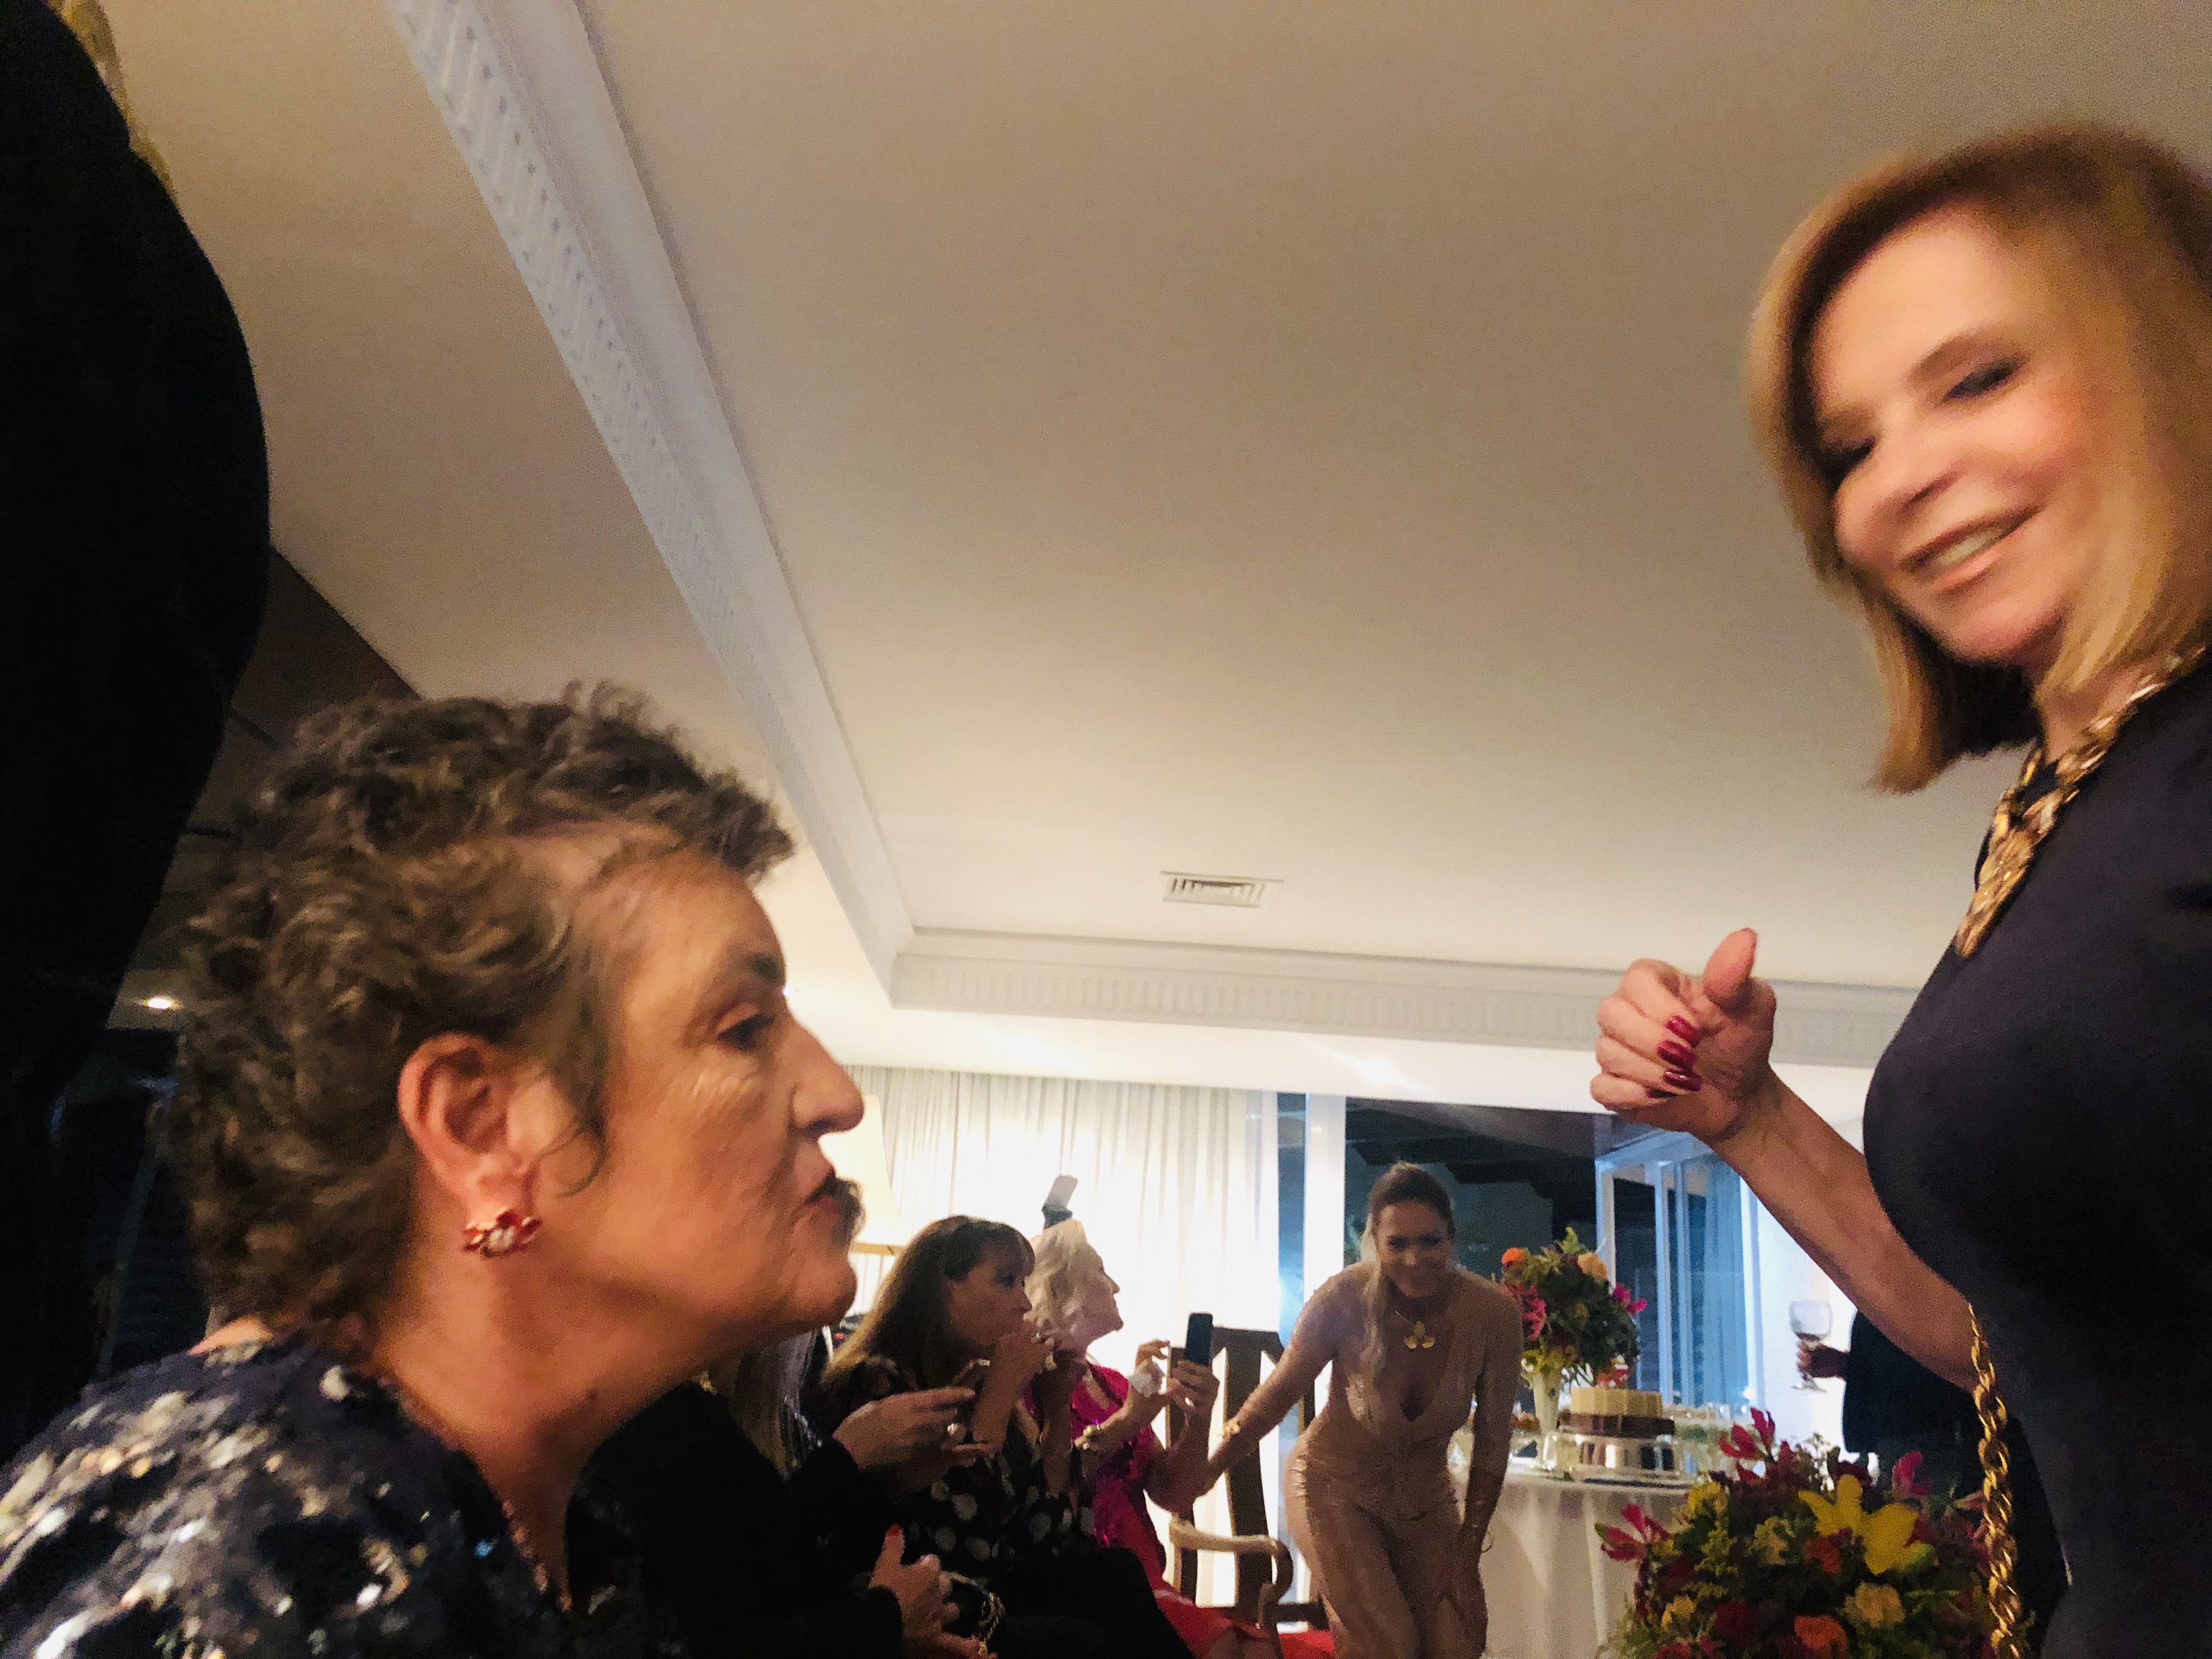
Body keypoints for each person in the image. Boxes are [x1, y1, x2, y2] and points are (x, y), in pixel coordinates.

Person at [1589, 124, 2212, 1656]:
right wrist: (1750, 1117)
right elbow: (2024, 1345)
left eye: (1979, 378)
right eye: (1851, 447)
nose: (1900, 481)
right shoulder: (2060, 818)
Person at [0, 690, 872, 1656]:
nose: (838, 1096)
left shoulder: (525, 1505)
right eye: (743, 1029)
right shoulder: (248, 1563)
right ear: (479, 1128)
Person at [592, 1186, 984, 1659]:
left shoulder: (756, 1407)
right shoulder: (654, 1417)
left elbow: (806, 1566)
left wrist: (887, 1481)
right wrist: (885, 1621)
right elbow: (735, 1632)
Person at [809, 1216, 1189, 1658]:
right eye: (1007, 1282)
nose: (1024, 1303)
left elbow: (1054, 1535)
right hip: (928, 1602)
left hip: (997, 1590)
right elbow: (967, 1546)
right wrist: (1002, 1392)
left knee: (1113, 1571)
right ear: (943, 1288)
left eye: (1024, 1283)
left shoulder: (986, 1381)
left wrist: (1057, 1408)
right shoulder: (880, 1380)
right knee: (1092, 1637)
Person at [1199, 1163, 1521, 1659]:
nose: (1414, 1259)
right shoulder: (1344, 1298)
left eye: (1430, 1242)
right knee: (1391, 1645)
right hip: (1331, 1486)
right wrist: (1207, 1470)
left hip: (1427, 1501)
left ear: (1452, 1240)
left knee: (1458, 1643)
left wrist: (1468, 1547)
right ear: (1375, 1242)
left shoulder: (1493, 1315)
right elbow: (1277, 1396)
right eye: (1397, 1244)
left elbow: (1494, 1439)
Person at [1024, 1220, 1244, 1659]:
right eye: (1101, 1271)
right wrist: (1126, 1421)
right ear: (1062, 1287)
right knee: (1222, 1645)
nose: (1116, 1286)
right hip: (1081, 1575)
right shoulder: (1032, 1382)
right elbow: (1044, 1488)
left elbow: (1174, 1495)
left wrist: (1197, 1419)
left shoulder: (1111, 1383)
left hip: (1141, 1577)